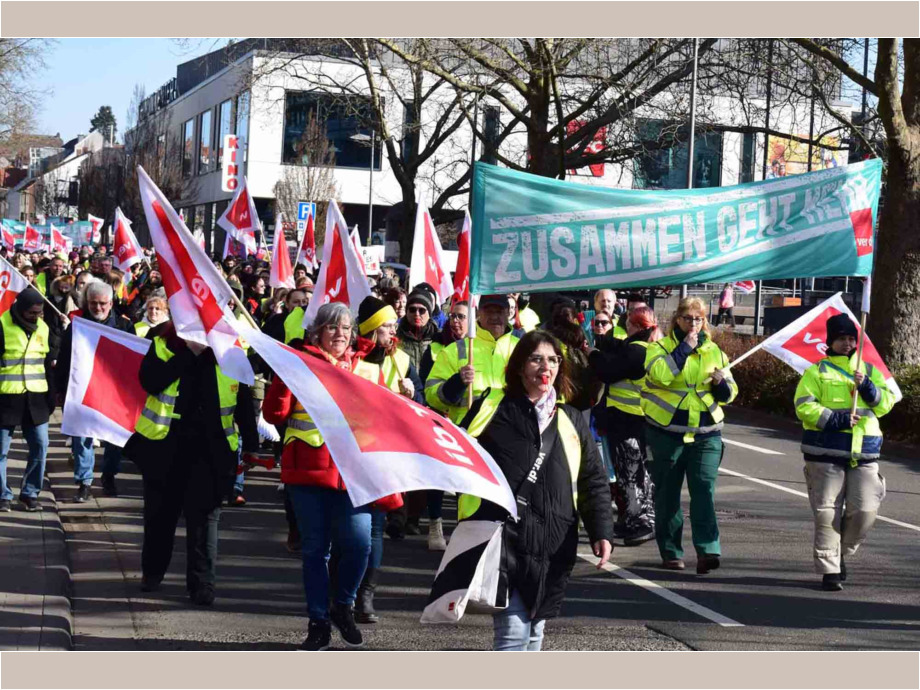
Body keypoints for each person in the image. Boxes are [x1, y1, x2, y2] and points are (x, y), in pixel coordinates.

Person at [460, 330, 614, 651]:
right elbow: (458, 454)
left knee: (534, 634)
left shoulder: (571, 419)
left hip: (555, 545)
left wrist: (602, 531)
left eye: (553, 359)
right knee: (513, 634)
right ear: (519, 367)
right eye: (536, 358)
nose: (546, 366)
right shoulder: (493, 408)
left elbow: (592, 480)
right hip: (505, 542)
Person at [262, 302, 387, 651]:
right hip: (307, 470)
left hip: (352, 474)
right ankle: (318, 621)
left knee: (360, 544)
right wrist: (287, 377)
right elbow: (273, 414)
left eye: (346, 329)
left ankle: (342, 605)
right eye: (332, 327)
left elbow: (385, 417)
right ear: (317, 332)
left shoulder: (367, 370)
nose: (340, 334)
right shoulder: (300, 362)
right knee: (316, 551)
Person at [123, 320, 260, 605]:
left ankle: (202, 585)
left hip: (211, 451)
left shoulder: (230, 349)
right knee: (160, 517)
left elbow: (245, 402)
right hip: (165, 447)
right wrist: (189, 352)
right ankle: (152, 573)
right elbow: (150, 382)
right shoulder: (162, 342)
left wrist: (252, 445)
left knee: (205, 520)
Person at [793, 314, 896, 592]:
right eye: (841, 339)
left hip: (864, 452)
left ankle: (840, 554)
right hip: (825, 452)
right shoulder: (817, 372)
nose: (847, 343)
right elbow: (803, 406)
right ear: (830, 341)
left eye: (851, 339)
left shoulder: (870, 371)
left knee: (865, 510)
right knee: (827, 513)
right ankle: (830, 570)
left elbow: (886, 404)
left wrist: (867, 387)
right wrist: (835, 420)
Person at [642, 297, 738, 574]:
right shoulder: (659, 348)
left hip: (706, 436)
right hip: (666, 435)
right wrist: (684, 349)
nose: (694, 324)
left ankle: (708, 551)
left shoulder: (715, 351)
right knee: (668, 496)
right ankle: (671, 551)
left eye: (699, 319)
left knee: (704, 492)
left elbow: (731, 392)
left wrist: (722, 385)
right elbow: (660, 375)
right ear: (677, 319)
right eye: (688, 319)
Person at [354, 296, 425, 622]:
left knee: (375, 528)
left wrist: (412, 395)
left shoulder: (403, 360)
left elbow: (421, 406)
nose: (393, 330)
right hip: (354, 453)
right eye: (386, 326)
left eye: (394, 325)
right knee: (350, 528)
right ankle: (345, 592)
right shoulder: (351, 360)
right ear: (371, 330)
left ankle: (366, 596)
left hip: (387, 454)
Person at [589, 306, 662, 546]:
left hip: (629, 419)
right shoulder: (644, 347)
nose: (624, 328)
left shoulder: (637, 351)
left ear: (636, 326)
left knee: (631, 475)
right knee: (631, 473)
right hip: (633, 418)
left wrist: (592, 354)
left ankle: (640, 523)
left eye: (628, 324)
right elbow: (617, 349)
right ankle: (630, 519)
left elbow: (609, 371)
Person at [56, 281, 134, 500]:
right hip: (84, 390)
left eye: (102, 304)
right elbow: (65, 358)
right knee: (82, 438)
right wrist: (61, 389)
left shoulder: (125, 326)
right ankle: (84, 482)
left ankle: (108, 476)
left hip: (115, 393)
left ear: (111, 303)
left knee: (114, 439)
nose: (98, 308)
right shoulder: (77, 325)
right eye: (93, 303)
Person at [425, 294, 520, 425]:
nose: (494, 316)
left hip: (511, 430)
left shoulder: (521, 348)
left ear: (508, 313)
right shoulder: (456, 350)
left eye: (499, 311)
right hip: (468, 433)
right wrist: (457, 383)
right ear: (479, 312)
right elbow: (431, 396)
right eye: (489, 311)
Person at [0, 289, 53, 512]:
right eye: (33, 313)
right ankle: (3, 496)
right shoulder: (2, 325)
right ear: (21, 309)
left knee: (40, 446)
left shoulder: (44, 327)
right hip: (6, 398)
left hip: (36, 398)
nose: (37, 317)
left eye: (40, 313)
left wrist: (51, 397)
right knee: (1, 451)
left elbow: (47, 361)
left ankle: (30, 493)